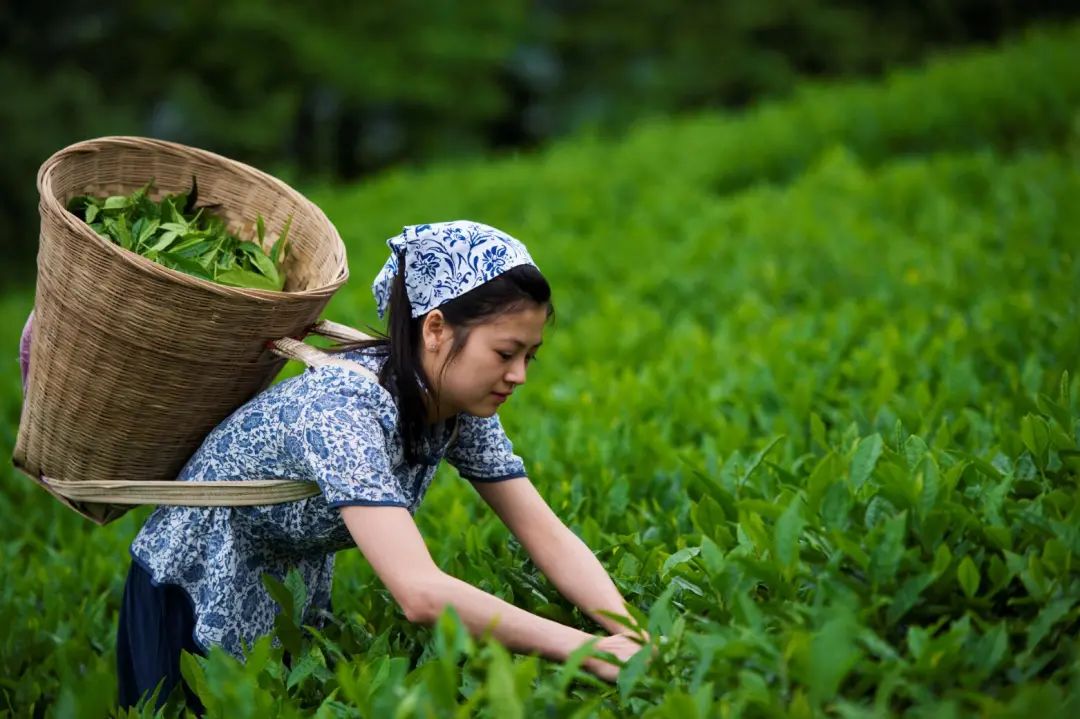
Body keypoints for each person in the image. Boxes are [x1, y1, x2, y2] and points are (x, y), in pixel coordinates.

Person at [107, 221, 647, 712]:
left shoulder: (455, 402)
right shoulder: (342, 408)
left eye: (530, 356)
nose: (519, 375)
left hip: (282, 588)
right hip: (194, 587)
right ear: (435, 329)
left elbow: (543, 531)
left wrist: (634, 635)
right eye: (506, 353)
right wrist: (589, 651)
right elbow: (419, 592)